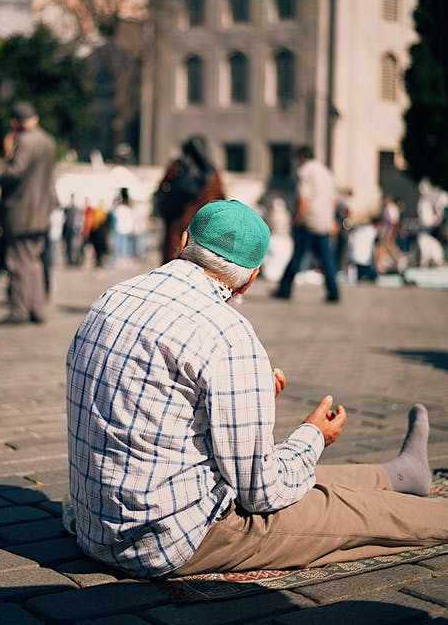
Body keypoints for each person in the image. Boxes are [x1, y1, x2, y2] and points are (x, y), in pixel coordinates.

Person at [66, 199, 448, 580]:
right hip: (166, 537)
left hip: (97, 525)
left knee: (303, 475)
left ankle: (402, 475)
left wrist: (246, 396)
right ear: (251, 278)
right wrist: (314, 436)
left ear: (183, 241)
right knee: (340, 511)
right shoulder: (227, 333)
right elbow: (260, 491)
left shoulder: (113, 297)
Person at [0, 101, 57, 324]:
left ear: (15, 122)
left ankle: (19, 310)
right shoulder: (48, 141)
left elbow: (15, 172)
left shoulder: (25, 141)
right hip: (41, 212)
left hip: (21, 213)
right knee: (34, 262)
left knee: (18, 262)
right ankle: (37, 309)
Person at [272, 145, 339, 302]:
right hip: (324, 221)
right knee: (327, 259)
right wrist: (331, 220)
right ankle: (334, 292)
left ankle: (285, 289)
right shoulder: (325, 171)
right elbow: (333, 200)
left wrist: (296, 219)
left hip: (309, 220)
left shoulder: (305, 171)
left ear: (301, 157)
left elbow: (304, 199)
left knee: (297, 256)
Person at [155, 135, 225, 263]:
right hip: (203, 223)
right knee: (200, 258)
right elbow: (221, 199)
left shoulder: (176, 167)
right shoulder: (212, 173)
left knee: (173, 253)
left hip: (177, 219)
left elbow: (161, 190)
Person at [347, 216, 382, 282]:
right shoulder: (374, 232)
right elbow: (376, 252)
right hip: (364, 263)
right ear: (378, 224)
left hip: (352, 261)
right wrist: (377, 268)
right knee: (375, 278)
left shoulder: (359, 229)